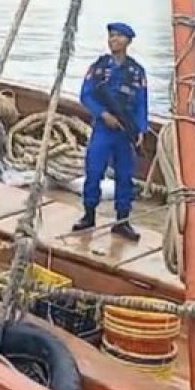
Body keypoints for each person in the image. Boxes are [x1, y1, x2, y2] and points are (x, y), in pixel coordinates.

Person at [73, 22, 148, 242]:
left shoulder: (136, 71)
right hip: (103, 130)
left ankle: (122, 221)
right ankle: (88, 215)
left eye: (118, 36)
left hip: (125, 133)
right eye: (111, 36)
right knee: (94, 171)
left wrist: (141, 129)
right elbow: (86, 95)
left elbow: (141, 103)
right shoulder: (99, 67)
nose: (113, 39)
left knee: (125, 176)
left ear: (128, 41)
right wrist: (103, 114)